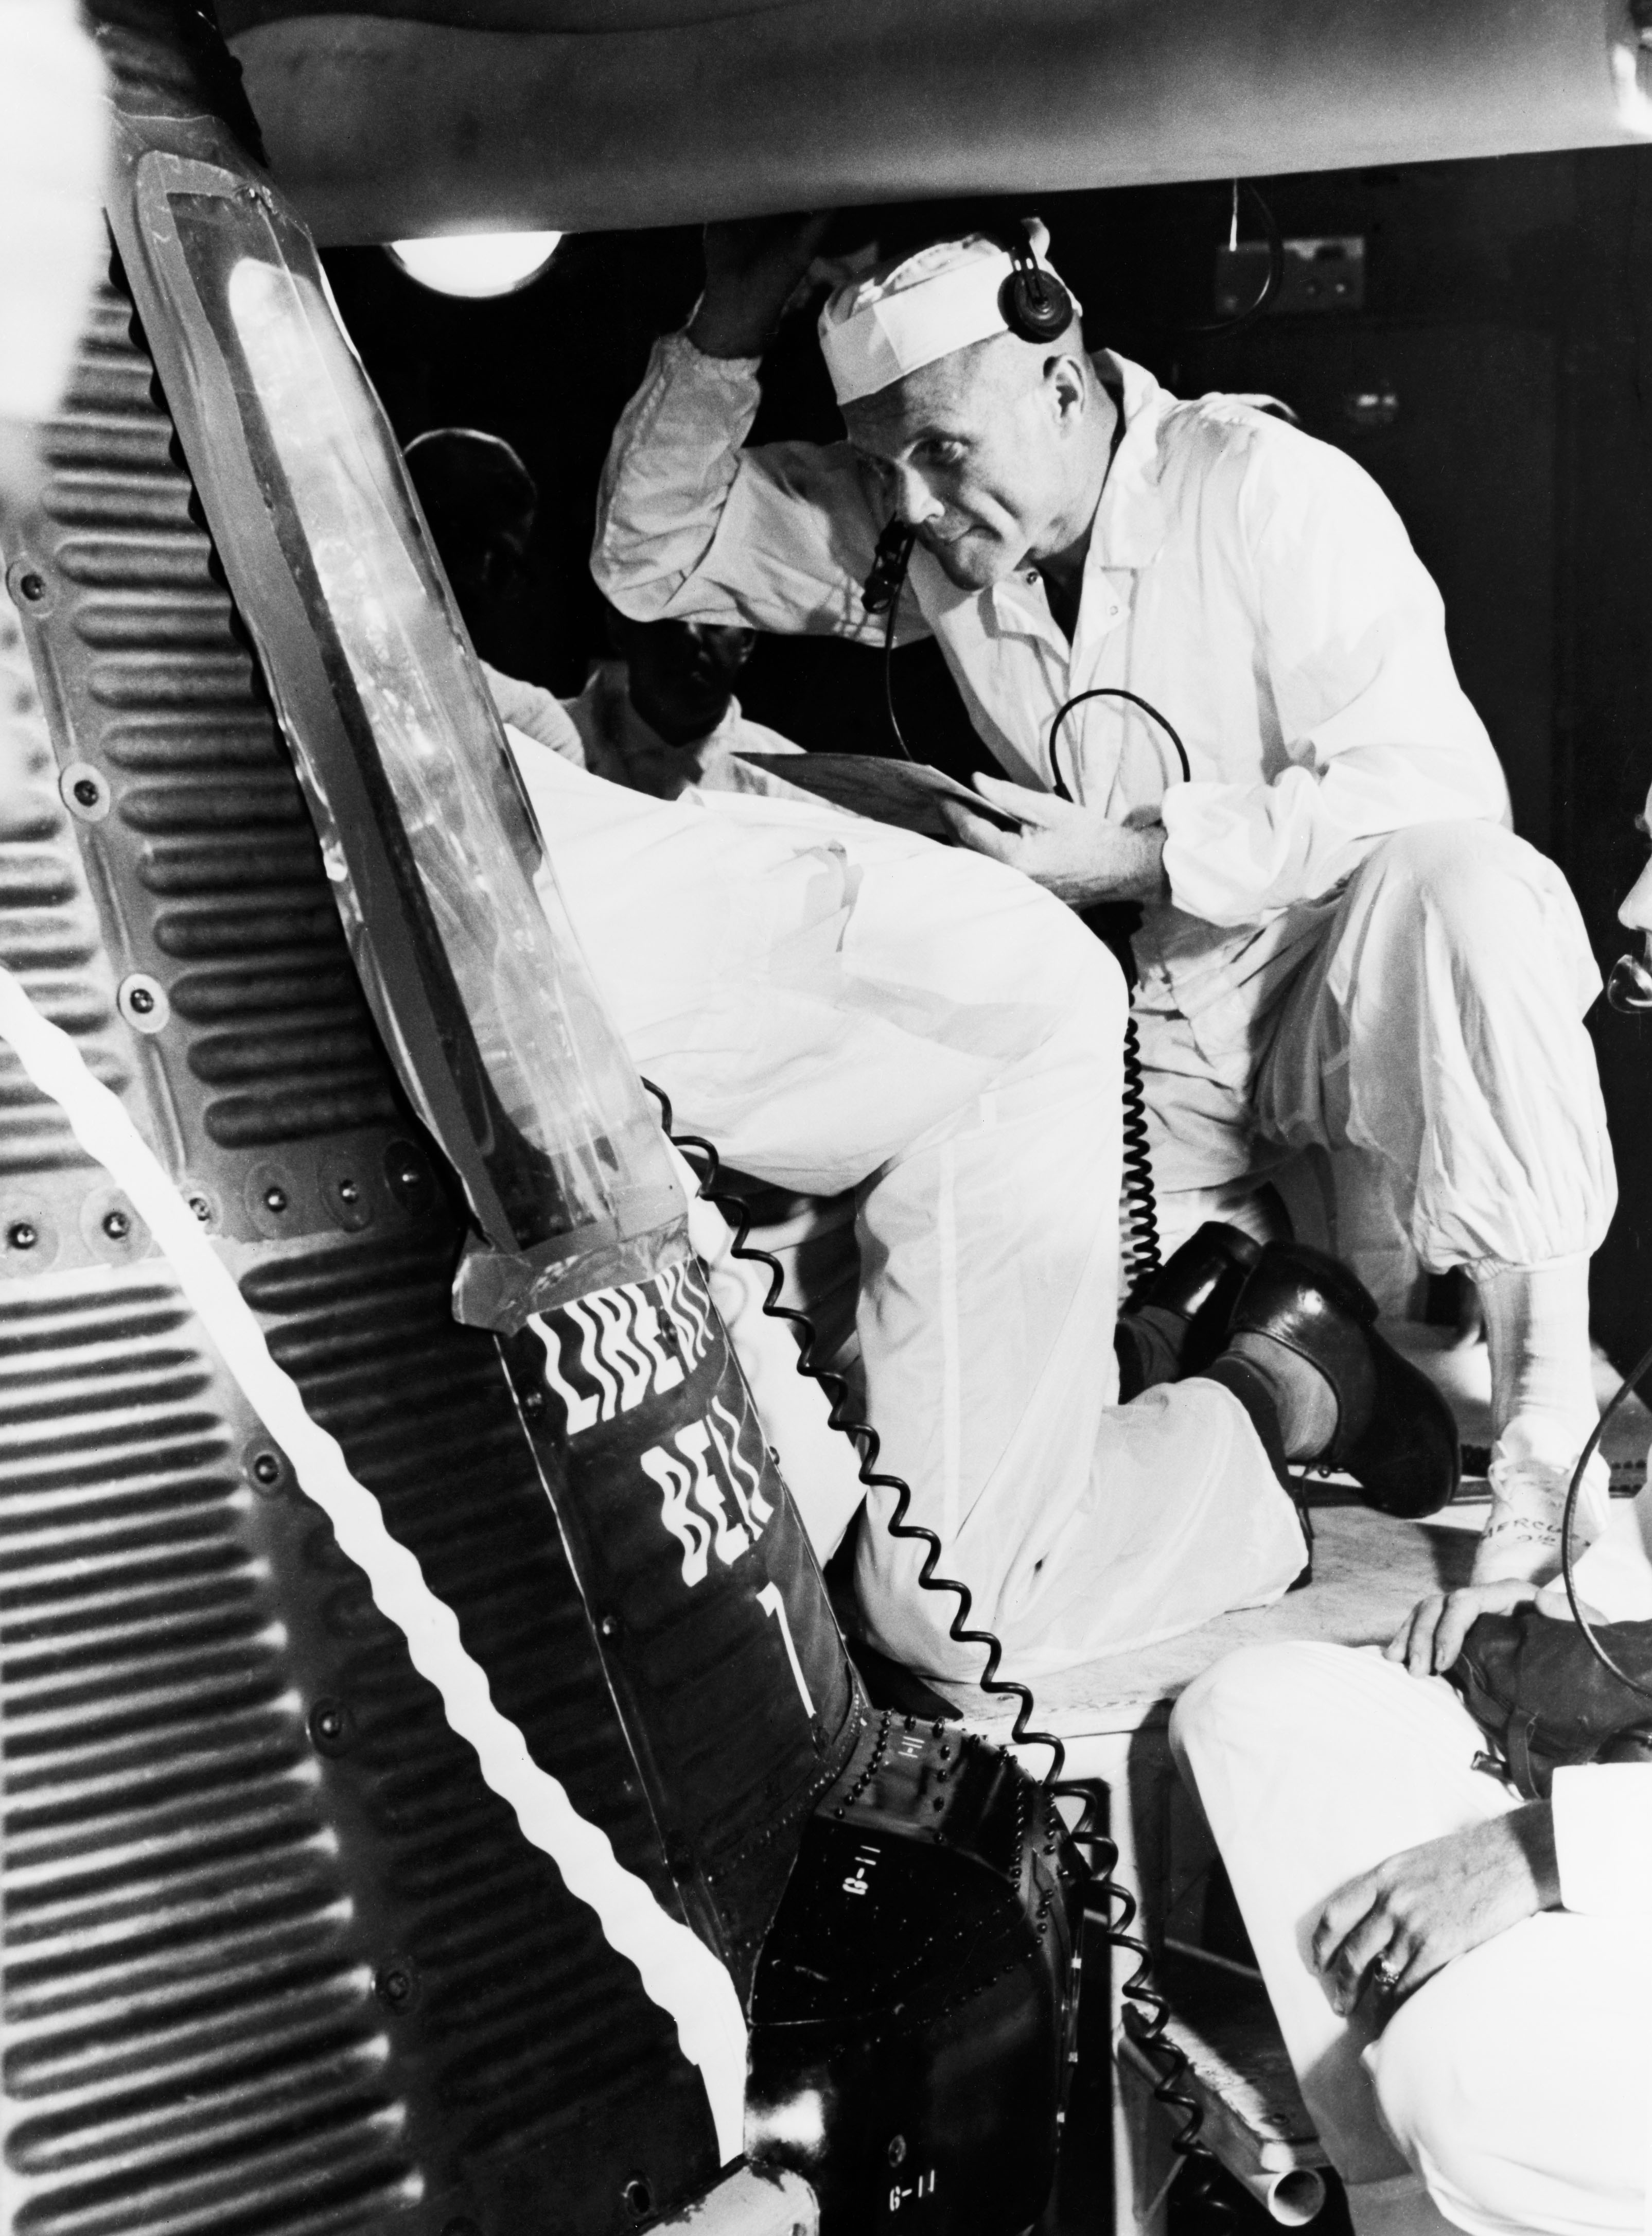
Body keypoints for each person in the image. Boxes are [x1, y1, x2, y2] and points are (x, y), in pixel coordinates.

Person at [590, 213, 1618, 1590]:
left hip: (1338, 977)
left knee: (1473, 887)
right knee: (991, 1387)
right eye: (886, 464)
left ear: (1060, 382)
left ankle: (1549, 1425)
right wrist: (728, 326)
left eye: (943, 451)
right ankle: (1310, 1369)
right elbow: (649, 558)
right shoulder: (933, 531)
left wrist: (1140, 859)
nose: (909, 502)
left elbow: (1428, 782)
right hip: (1157, 1021)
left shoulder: (1262, 485)